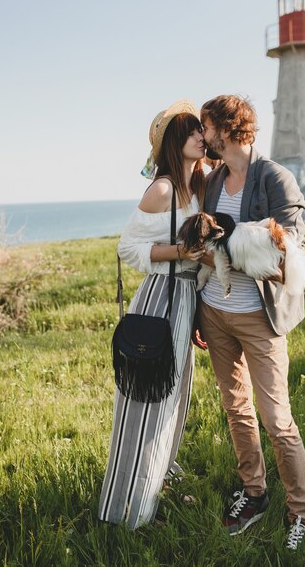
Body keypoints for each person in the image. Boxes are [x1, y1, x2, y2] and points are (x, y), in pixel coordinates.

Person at [197, 94, 305, 552]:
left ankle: (302, 514)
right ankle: (254, 493)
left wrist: (234, 247)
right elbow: (207, 244)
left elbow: (293, 250)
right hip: (215, 310)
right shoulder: (213, 180)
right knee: (236, 408)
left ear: (226, 130)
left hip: (260, 319)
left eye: (206, 127)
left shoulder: (276, 178)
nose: (203, 136)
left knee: (277, 419)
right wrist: (197, 310)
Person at [98, 100, 206, 530]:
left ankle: (151, 489)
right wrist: (179, 251)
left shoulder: (197, 187)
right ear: (176, 142)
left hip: (184, 302)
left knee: (172, 401)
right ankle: (125, 513)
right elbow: (127, 248)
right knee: (145, 403)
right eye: (194, 131)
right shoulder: (162, 189)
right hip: (160, 299)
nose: (202, 136)